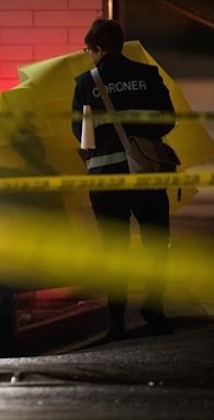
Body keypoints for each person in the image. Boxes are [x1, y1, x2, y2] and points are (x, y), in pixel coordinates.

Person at [71, 18, 176, 340]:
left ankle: (116, 322)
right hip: (146, 173)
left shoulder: (87, 82)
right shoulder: (147, 75)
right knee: (156, 242)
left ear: (98, 48)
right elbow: (168, 120)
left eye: (90, 50)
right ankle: (154, 309)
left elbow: (80, 133)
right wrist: (140, 137)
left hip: (106, 179)